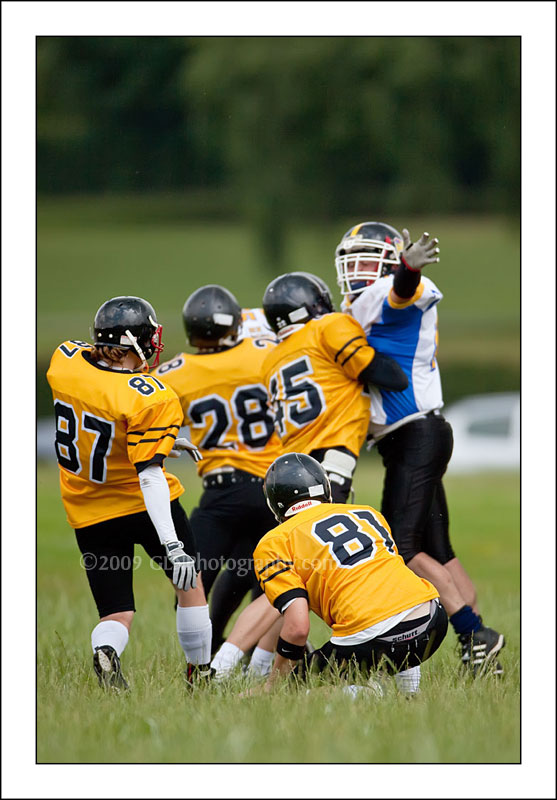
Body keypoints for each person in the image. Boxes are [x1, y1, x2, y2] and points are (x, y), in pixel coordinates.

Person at [335, 221, 505, 676]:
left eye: (367, 261)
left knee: (400, 545)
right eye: (352, 262)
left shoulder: (392, 291)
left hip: (415, 435)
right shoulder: (358, 303)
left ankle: (474, 633)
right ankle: (479, 651)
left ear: (388, 264)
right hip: (415, 437)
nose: (357, 271)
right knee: (438, 549)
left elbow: (400, 295)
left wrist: (408, 269)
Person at [46, 296, 212, 690]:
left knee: (116, 611)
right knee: (189, 586)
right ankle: (201, 674)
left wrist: (161, 442)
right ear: (134, 342)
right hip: (143, 504)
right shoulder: (149, 395)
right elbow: (150, 477)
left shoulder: (65, 361)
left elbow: (100, 420)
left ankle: (107, 649)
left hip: (88, 508)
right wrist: (172, 545)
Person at [153, 285, 282, 672]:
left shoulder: (177, 372)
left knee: (190, 586)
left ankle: (204, 664)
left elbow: (137, 403)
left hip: (222, 492)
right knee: (267, 580)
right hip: (271, 489)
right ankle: (254, 659)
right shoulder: (265, 352)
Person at [250, 452, 448, 693]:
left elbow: (297, 628)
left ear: (274, 502)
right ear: (324, 487)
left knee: (293, 690)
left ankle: (365, 695)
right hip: (433, 619)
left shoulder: (274, 541)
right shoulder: (367, 513)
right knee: (393, 603)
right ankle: (410, 693)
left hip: (377, 637)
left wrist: (273, 686)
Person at [261, 272, 408, 502]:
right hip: (332, 450)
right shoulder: (326, 327)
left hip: (290, 464)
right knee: (324, 521)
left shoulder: (270, 359)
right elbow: (392, 378)